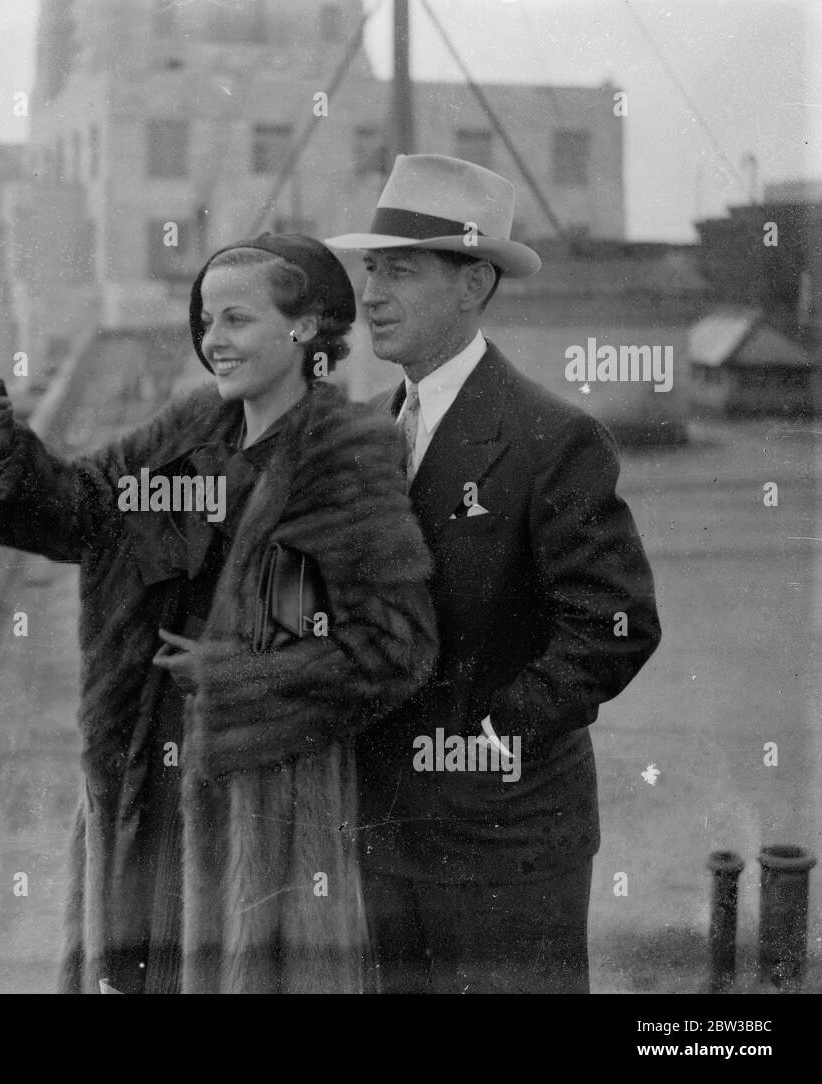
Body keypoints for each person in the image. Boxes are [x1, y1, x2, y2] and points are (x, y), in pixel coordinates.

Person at [0, 233, 437, 994]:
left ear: (304, 330)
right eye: (206, 321)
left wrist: (239, 675)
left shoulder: (348, 455)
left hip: (263, 798)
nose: (214, 340)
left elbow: (396, 649)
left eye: (236, 320)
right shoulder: (188, 429)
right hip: (146, 760)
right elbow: (86, 507)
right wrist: (10, 453)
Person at [326, 154, 662, 993]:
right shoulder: (368, 433)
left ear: (473, 283)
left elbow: (615, 628)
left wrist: (488, 736)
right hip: (380, 832)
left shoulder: (554, 438)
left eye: (399, 271)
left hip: (504, 845)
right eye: (371, 269)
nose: (371, 295)